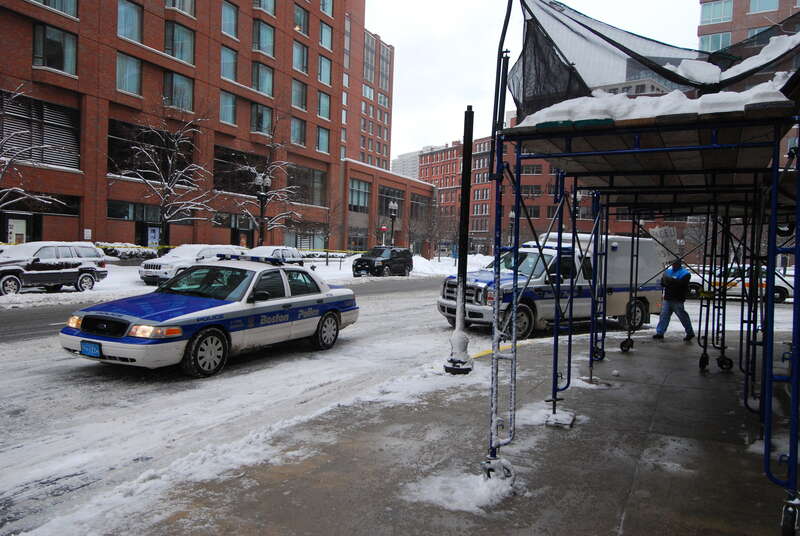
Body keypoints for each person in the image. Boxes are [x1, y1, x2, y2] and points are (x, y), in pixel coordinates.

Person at [653, 259, 695, 341]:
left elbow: (681, 284)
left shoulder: (685, 273)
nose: (673, 265)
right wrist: (670, 281)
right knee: (664, 316)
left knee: (682, 316)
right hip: (668, 298)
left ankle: (690, 332)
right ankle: (660, 333)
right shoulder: (668, 272)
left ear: (679, 264)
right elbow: (663, 283)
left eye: (675, 264)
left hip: (678, 299)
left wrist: (670, 281)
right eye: (672, 263)